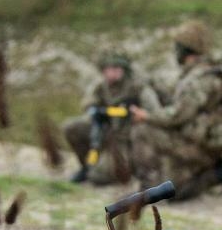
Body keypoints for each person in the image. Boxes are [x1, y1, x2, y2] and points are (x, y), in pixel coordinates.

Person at [129, 20, 222, 200]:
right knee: (177, 189)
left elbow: (178, 116)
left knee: (142, 131)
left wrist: (146, 116)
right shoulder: (217, 71)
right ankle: (218, 171)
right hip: (218, 146)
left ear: (184, 50)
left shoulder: (198, 79)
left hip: (197, 147)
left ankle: (148, 188)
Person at [61, 53, 161, 185]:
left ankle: (132, 168)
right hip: (106, 133)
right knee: (71, 127)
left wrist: (137, 114)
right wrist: (98, 111)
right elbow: (88, 103)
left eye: (116, 68)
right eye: (109, 69)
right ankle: (87, 165)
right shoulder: (101, 86)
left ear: (124, 70)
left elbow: (154, 112)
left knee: (99, 176)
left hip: (127, 141)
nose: (112, 73)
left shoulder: (138, 87)